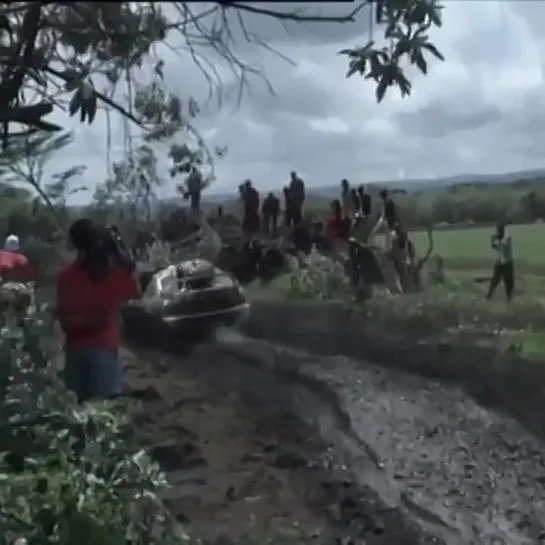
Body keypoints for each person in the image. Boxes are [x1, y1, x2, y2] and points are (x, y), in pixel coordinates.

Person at [56, 218, 140, 403]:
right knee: (102, 416)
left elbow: (64, 321)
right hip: (104, 349)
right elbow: (135, 292)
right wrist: (124, 258)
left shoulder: (66, 277)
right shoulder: (113, 274)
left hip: (75, 351)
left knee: (75, 412)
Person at [486, 223, 514, 302]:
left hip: (507, 262)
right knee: (495, 280)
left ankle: (509, 297)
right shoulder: (494, 237)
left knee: (508, 281)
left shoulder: (508, 238)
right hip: (499, 262)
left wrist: (501, 240)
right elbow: (494, 246)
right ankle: (489, 295)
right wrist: (499, 240)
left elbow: (506, 247)